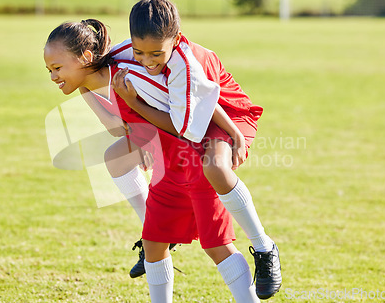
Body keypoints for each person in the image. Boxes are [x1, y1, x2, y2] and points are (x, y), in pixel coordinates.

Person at [43, 19, 261, 302]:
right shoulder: (89, 86)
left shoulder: (129, 74)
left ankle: (261, 251)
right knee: (151, 235)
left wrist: (232, 130)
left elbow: (196, 101)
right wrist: (140, 136)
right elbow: (117, 127)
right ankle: (153, 230)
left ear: (85, 58)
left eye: (57, 68)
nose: (52, 76)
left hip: (191, 154)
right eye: (49, 70)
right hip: (169, 157)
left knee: (216, 246)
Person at [111, 0, 281, 299]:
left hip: (230, 114)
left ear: (176, 40)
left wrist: (133, 102)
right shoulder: (127, 52)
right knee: (156, 229)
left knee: (214, 166)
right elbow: (98, 63)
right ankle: (158, 235)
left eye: (155, 54)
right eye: (139, 52)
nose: (147, 61)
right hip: (198, 116)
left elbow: (181, 126)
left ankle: (265, 248)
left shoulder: (184, 66)